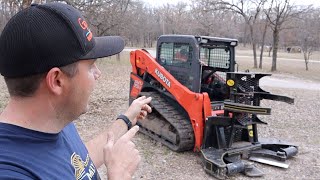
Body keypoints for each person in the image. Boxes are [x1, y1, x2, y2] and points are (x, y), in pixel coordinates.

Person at [0, 2, 152, 180]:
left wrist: (126, 119)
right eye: (91, 66)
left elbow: (77, 164)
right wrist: (118, 176)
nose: (98, 73)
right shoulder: (11, 173)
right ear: (57, 81)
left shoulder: (52, 120)